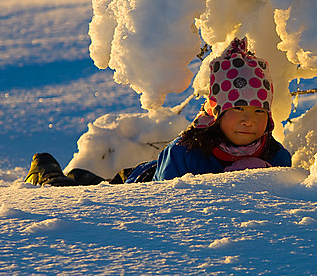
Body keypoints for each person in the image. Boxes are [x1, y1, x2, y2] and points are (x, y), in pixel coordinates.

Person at [25, 37, 292, 186]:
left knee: (89, 181)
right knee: (67, 189)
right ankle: (45, 168)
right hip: (137, 183)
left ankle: (81, 175)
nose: (249, 120)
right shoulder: (186, 152)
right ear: (215, 113)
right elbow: (157, 207)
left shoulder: (276, 156)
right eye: (238, 108)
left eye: (259, 111)